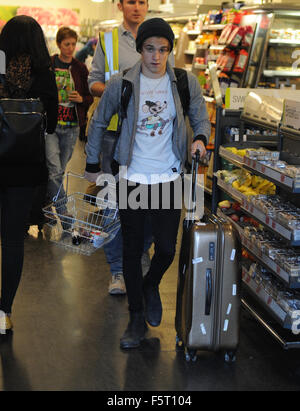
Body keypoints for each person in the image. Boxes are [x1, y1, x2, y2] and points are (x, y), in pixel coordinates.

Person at [84, 18, 211, 349]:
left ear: (170, 50)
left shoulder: (184, 82)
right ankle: (136, 317)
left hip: (168, 177)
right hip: (132, 177)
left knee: (167, 248)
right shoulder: (122, 83)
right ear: (140, 49)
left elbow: (200, 117)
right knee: (132, 247)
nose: (156, 56)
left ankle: (151, 283)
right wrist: (92, 164)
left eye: (163, 49)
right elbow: (98, 121)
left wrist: (200, 138)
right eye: (150, 48)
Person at [87, 0, 153, 296]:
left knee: (150, 202)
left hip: (150, 136)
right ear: (120, 5)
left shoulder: (159, 39)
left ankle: (139, 252)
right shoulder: (109, 40)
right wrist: (119, 88)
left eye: (142, 1)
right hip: (114, 133)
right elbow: (93, 83)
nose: (136, 7)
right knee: (113, 204)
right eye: (131, 2)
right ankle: (116, 270)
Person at [0, 15, 58, 333]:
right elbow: (49, 126)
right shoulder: (44, 76)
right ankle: (3, 311)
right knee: (12, 242)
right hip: (24, 170)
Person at [46, 27, 93, 207]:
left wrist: (81, 99)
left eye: (73, 44)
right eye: (67, 44)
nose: (71, 48)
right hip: (51, 125)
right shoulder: (49, 64)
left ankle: (47, 208)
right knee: (54, 171)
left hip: (71, 126)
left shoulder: (80, 68)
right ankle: (64, 212)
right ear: (58, 44)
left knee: (58, 171)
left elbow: (90, 96)